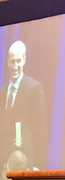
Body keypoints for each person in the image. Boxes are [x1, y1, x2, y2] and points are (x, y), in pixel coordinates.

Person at [0, 40, 47, 171]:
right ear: (7, 62)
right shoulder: (2, 92)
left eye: (18, 61)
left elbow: (40, 130)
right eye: (12, 61)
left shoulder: (33, 88)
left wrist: (37, 165)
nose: (15, 66)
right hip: (2, 161)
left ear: (24, 60)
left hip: (23, 162)